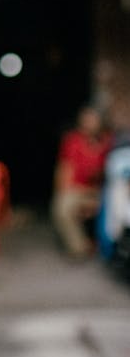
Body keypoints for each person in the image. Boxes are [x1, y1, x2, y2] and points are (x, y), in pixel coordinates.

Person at [51, 105, 112, 258]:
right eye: (86, 119)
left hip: (103, 191)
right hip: (78, 189)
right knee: (62, 208)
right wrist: (63, 190)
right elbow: (65, 168)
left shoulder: (108, 142)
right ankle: (81, 248)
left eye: (93, 119)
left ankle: (110, 248)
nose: (89, 123)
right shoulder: (73, 141)